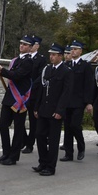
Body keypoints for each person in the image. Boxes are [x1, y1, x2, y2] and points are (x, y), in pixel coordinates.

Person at [32, 43, 73, 176]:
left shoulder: (66, 71)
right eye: (50, 54)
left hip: (55, 111)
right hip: (44, 109)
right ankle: (42, 162)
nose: (51, 57)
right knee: (40, 135)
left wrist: (60, 110)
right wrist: (36, 107)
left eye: (54, 55)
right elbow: (41, 90)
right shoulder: (47, 69)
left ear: (60, 56)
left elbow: (66, 93)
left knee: (53, 140)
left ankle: (50, 167)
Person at [0, 36, 34, 166]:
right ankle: (6, 152)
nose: (22, 46)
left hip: (20, 99)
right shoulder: (16, 60)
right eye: (21, 43)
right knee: (2, 124)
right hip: (10, 98)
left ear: (31, 48)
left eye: (25, 44)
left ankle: (14, 156)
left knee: (18, 129)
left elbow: (17, 75)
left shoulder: (28, 62)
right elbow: (11, 73)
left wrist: (1, 70)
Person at [60, 40, 94, 162]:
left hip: (79, 102)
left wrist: (89, 102)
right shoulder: (66, 65)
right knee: (68, 128)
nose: (72, 51)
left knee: (75, 125)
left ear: (80, 51)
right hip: (67, 101)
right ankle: (69, 153)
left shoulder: (85, 66)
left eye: (75, 49)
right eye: (71, 49)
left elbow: (89, 85)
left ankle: (81, 146)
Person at [22, 35, 46, 154]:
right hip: (21, 94)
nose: (31, 46)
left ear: (37, 46)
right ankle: (23, 140)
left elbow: (40, 76)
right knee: (19, 119)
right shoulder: (23, 57)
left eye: (34, 44)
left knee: (33, 121)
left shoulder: (41, 59)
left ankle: (29, 144)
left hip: (33, 93)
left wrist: (30, 87)